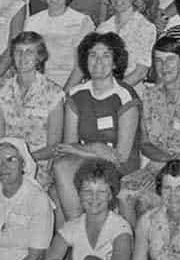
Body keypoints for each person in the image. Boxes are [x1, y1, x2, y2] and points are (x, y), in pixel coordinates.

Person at [117, 36, 180, 223]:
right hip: (156, 166)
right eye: (158, 60)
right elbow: (145, 144)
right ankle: (134, 241)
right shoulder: (148, 97)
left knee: (146, 201)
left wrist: (162, 173)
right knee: (123, 193)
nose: (164, 66)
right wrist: (160, 167)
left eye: (170, 60)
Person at [52, 32, 140, 222]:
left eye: (106, 55)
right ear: (85, 60)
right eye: (93, 55)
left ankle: (82, 228)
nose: (98, 61)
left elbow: (121, 156)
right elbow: (69, 145)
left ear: (115, 63)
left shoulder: (125, 95)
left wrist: (86, 150)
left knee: (71, 173)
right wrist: (97, 148)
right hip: (86, 158)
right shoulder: (76, 94)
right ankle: (76, 227)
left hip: (120, 165)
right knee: (61, 166)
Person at [0, 31, 65, 190]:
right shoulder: (2, 89)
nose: (23, 57)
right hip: (4, 159)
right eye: (18, 51)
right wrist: (4, 160)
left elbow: (54, 147)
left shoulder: (54, 93)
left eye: (29, 52)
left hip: (37, 162)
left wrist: (23, 159)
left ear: (39, 57)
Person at [23, 0, 94, 89]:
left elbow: (81, 67)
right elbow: (27, 62)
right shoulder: (32, 22)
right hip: (37, 87)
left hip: (71, 88)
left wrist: (63, 94)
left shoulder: (82, 22)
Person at [97, 0, 156, 86]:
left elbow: (140, 72)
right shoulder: (102, 29)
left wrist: (114, 91)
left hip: (130, 89)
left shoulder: (145, 27)